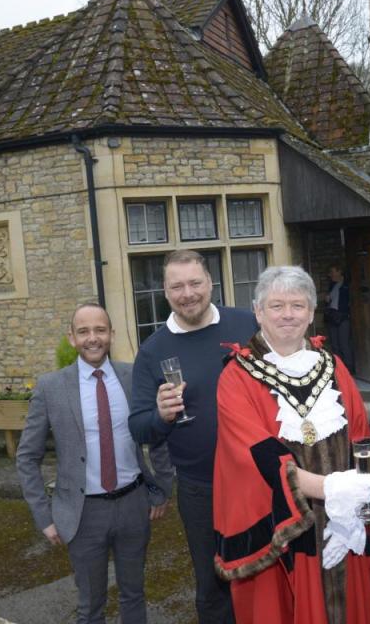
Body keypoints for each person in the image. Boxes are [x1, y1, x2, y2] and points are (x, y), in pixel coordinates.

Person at [213, 265, 370, 624]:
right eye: (276, 305)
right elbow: (260, 456)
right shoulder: (236, 377)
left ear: (311, 312)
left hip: (343, 525)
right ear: (258, 312)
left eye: (297, 305)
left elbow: (360, 440)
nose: (287, 315)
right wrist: (332, 489)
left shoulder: (333, 365)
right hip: (287, 533)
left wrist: (354, 514)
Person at [16, 303, 174, 624]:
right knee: (91, 605)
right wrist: (44, 516)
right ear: (71, 338)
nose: (93, 338)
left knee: (134, 594)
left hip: (133, 505)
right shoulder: (50, 387)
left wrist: (161, 489)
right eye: (84, 331)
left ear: (111, 334)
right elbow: (26, 457)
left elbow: (155, 433)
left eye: (100, 330)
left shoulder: (133, 377)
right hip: (83, 513)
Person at [128, 249, 258, 623]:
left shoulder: (246, 324)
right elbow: (138, 426)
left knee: (264, 568)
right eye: (177, 286)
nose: (188, 293)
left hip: (257, 475)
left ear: (210, 283)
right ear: (165, 293)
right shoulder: (153, 351)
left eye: (195, 283)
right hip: (201, 488)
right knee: (213, 582)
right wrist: (162, 415)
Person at [324, 265, 355, 373]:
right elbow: (329, 300)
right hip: (333, 316)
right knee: (335, 345)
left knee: (344, 343)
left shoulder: (347, 284)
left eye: (332, 271)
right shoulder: (332, 285)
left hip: (343, 316)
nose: (330, 274)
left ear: (339, 271)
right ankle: (338, 369)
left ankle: (349, 369)